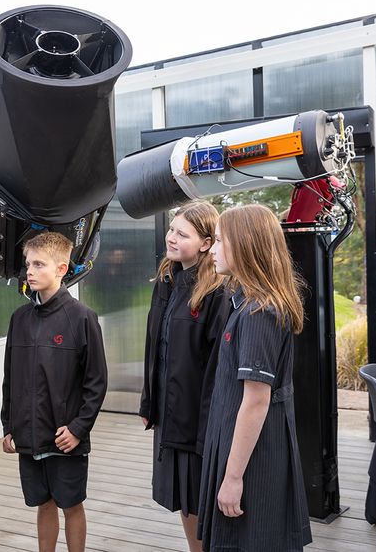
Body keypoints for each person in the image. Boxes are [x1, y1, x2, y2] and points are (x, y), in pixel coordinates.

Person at [199, 204, 312, 552]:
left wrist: (232, 478)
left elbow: (256, 400)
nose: (212, 250)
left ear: (245, 245)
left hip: (254, 460)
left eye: (219, 241)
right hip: (245, 448)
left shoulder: (258, 313)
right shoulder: (245, 303)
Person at [0, 231, 108, 552]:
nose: (29, 272)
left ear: (61, 269)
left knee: (71, 505)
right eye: (27, 264)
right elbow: (11, 378)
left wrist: (77, 429)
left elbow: (96, 382)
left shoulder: (82, 318)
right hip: (28, 436)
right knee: (43, 504)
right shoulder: (19, 318)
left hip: (65, 437)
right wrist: (9, 425)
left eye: (38, 265)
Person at [138, 200, 227, 551]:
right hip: (169, 413)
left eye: (182, 233)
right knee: (185, 502)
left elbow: (216, 367)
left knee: (200, 500)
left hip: (196, 420)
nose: (171, 238)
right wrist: (150, 403)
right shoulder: (167, 279)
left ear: (205, 243)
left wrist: (209, 426)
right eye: (171, 229)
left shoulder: (215, 291)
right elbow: (155, 347)